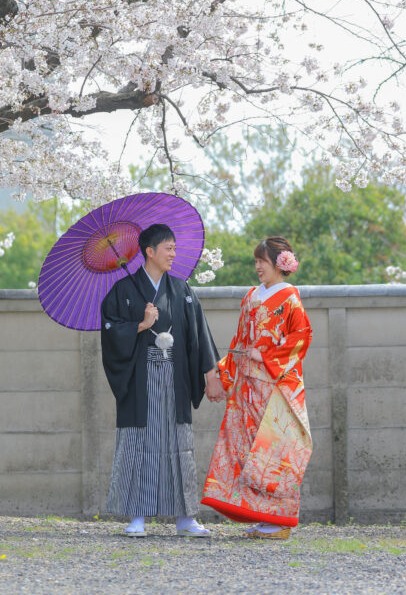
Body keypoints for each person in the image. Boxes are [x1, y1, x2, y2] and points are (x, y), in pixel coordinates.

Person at [101, 222, 225, 537]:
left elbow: (200, 336)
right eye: (168, 248)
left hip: (175, 379)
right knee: (139, 445)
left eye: (173, 248)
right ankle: (137, 516)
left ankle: (185, 518)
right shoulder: (123, 292)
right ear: (149, 251)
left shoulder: (182, 291)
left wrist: (211, 376)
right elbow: (110, 332)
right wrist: (141, 326)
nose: (173, 253)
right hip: (140, 381)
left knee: (178, 445)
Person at [201, 236, 312, 539]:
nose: (257, 267)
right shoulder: (252, 295)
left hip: (273, 385)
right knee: (247, 450)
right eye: (257, 261)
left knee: (272, 452)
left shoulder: (290, 298)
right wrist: (224, 377)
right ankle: (264, 517)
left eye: (262, 261)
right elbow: (238, 341)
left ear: (280, 263)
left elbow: (300, 339)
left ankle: (279, 520)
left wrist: (264, 355)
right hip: (246, 386)